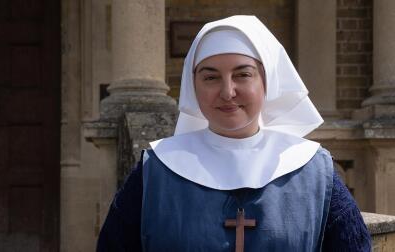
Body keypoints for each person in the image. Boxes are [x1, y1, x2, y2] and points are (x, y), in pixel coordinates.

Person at [97, 15, 371, 251]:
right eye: (211, 77)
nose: (228, 92)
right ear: (193, 86)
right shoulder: (155, 171)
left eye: (243, 75)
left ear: (267, 81)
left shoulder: (313, 173)